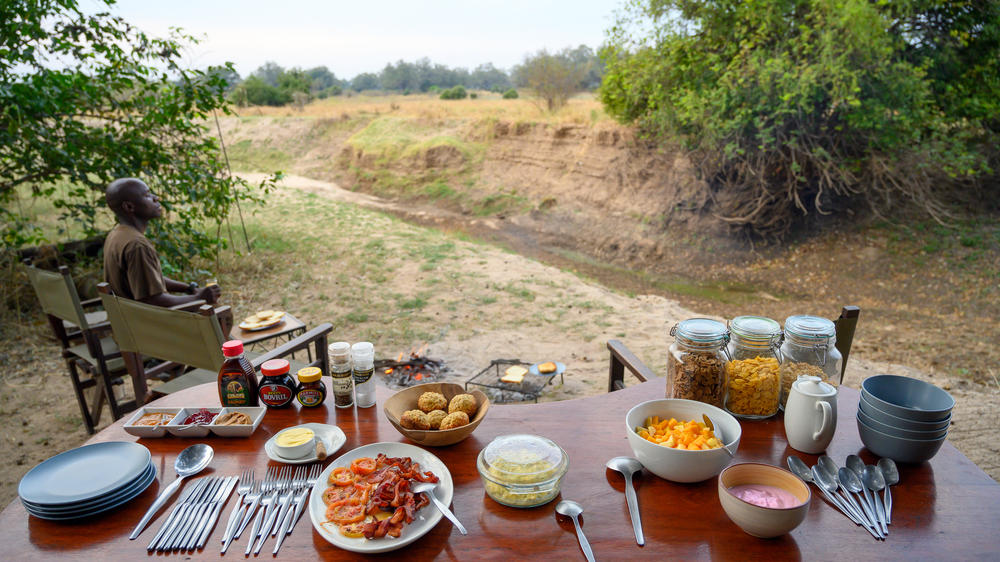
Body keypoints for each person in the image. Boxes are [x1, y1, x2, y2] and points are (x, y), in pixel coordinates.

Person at [103, 177, 221, 308]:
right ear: (129, 206)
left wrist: (188, 288)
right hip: (149, 324)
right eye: (147, 195)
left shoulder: (117, 235)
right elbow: (153, 300)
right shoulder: (137, 245)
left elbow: (147, 281)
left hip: (129, 318)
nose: (156, 198)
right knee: (220, 313)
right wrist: (199, 298)